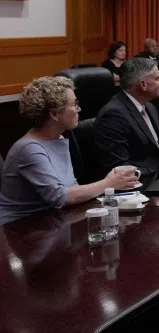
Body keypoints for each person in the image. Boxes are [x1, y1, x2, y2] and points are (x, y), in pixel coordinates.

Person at [0, 77, 138, 225]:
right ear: (55, 114)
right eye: (74, 104)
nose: (79, 109)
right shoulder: (29, 149)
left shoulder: (57, 138)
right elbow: (60, 197)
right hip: (18, 229)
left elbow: (71, 187)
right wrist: (109, 183)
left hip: (51, 222)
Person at [94, 58, 159, 175]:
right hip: (146, 183)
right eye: (157, 78)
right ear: (143, 85)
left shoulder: (149, 107)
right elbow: (121, 169)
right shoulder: (112, 116)